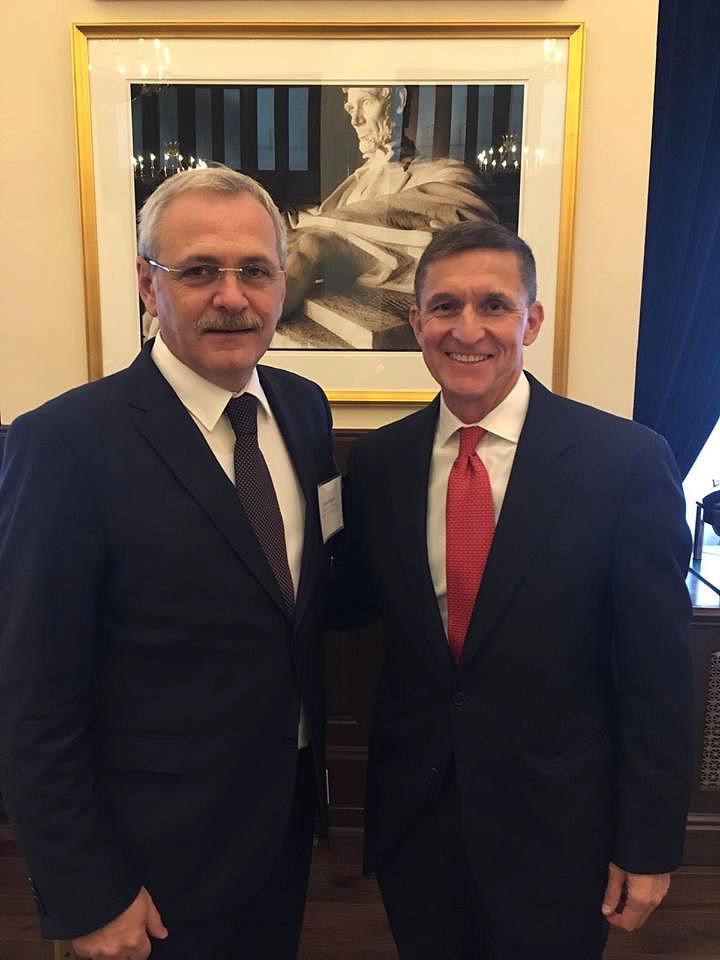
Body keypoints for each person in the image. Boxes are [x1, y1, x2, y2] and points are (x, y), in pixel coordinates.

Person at [0, 167, 339, 959]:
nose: (232, 296)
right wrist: (86, 890)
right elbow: (30, 692)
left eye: (255, 270)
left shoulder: (302, 408)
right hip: (147, 867)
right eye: (198, 271)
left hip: (281, 831)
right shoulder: (64, 445)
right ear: (147, 285)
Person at [334, 220, 693, 959]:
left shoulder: (623, 463)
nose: (468, 330)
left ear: (530, 321)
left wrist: (650, 841)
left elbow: (658, 676)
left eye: (494, 305)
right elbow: (355, 608)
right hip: (417, 823)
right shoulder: (378, 465)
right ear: (416, 324)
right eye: (445, 306)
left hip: (561, 829)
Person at [281, 85, 497, 330]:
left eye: (366, 103)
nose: (355, 120)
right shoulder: (356, 182)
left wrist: (327, 241)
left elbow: (468, 212)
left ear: (398, 101)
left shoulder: (443, 172)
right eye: (351, 109)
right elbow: (315, 218)